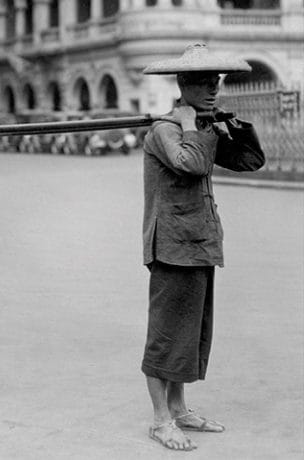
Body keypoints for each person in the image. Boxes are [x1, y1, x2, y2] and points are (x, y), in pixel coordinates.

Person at [140, 43, 265, 450]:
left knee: (190, 332)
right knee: (166, 333)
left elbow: (250, 161)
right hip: (172, 245)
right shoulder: (165, 129)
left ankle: (178, 409)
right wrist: (191, 126)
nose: (212, 89)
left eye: (216, 82)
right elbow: (190, 163)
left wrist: (231, 124)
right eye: (203, 82)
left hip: (201, 241)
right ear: (183, 84)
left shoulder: (205, 127)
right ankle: (161, 420)